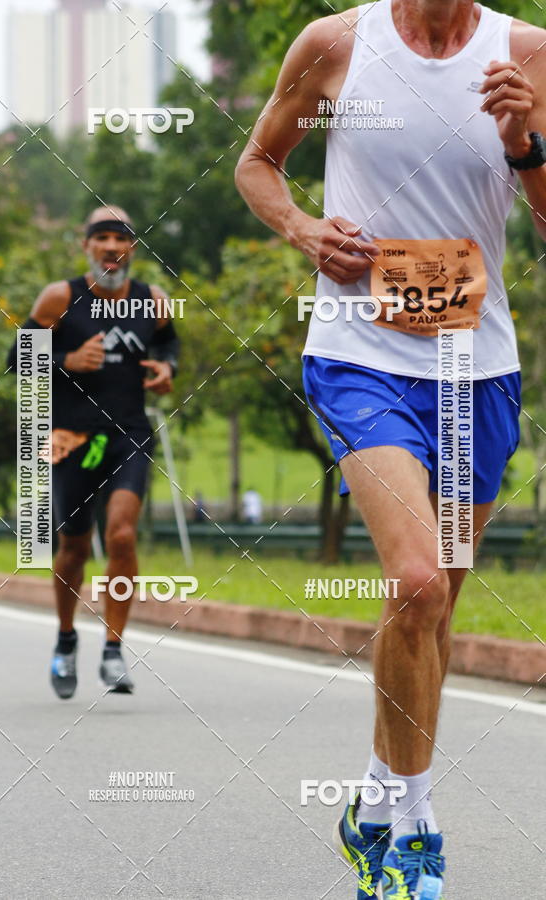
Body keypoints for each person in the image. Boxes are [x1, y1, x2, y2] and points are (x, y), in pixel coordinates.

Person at [236, 1, 546, 896]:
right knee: (413, 581)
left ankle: (374, 797)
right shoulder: (336, 43)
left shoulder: (525, 52)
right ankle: (414, 827)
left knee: (432, 608)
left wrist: (527, 143)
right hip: (359, 356)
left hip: (476, 367)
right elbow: (257, 163)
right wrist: (304, 229)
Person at [7, 205, 180, 699]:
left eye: (120, 238)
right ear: (86, 245)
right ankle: (65, 640)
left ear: (132, 248)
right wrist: (66, 360)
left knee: (122, 535)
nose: (110, 246)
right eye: (101, 237)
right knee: (74, 547)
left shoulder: (154, 301)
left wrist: (166, 370)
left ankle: (113, 647)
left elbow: (169, 348)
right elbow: (16, 359)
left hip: (129, 435)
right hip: (73, 440)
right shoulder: (61, 297)